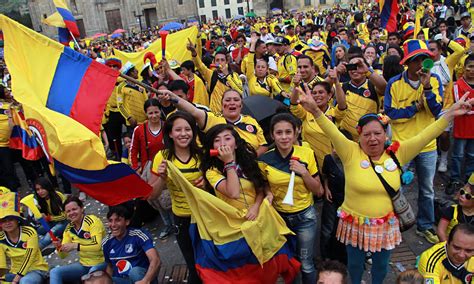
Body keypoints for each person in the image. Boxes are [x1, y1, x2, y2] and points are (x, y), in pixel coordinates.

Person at [296, 81, 474, 283]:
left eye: (377, 133)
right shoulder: (349, 151)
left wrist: (450, 113)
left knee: (380, 267)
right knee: (354, 265)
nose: (372, 139)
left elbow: (427, 135)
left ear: (385, 134)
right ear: (359, 136)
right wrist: (313, 109)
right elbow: (330, 129)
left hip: (385, 225)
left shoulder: (398, 153)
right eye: (367, 134)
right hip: (354, 222)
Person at [384, 39, 444, 244]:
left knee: (427, 189)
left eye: (425, 59)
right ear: (407, 63)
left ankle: (425, 225)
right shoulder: (394, 83)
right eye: (416, 60)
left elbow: (438, 112)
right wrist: (413, 109)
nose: (421, 64)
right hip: (402, 146)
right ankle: (393, 226)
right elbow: (390, 112)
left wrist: (427, 88)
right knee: (394, 187)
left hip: (427, 146)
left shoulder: (434, 80)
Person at [258, 113, 323, 284]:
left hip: (305, 218)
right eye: (279, 133)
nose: (284, 137)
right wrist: (268, 192)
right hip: (278, 219)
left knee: (306, 264)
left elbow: (319, 191)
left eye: (288, 132)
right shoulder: (264, 159)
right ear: (272, 135)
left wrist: (304, 172)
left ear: (296, 133)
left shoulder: (307, 153)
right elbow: (263, 183)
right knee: (287, 263)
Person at [149, 111, 203, 284]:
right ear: (170, 133)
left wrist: (207, 184)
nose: (183, 134)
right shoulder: (162, 157)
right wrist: (162, 179)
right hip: (181, 219)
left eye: (188, 129)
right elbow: (152, 194)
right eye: (178, 130)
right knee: (192, 263)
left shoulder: (201, 155)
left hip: (205, 218)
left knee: (208, 262)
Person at [158, 89, 268, 156]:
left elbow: (263, 145)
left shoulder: (251, 121)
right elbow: (194, 111)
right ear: (222, 104)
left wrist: (251, 158)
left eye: (236, 100)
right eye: (228, 100)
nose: (232, 103)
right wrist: (172, 97)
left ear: (241, 104)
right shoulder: (213, 118)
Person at [202, 124, 270, 219]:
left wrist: (256, 206)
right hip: (233, 220)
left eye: (227, 139)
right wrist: (229, 162)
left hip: (258, 215)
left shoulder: (248, 162)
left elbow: (259, 189)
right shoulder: (212, 172)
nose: (223, 144)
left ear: (236, 144)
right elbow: (234, 193)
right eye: (217, 140)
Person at [129, 98, 169, 234]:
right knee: (155, 199)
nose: (154, 116)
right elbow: (133, 150)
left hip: (166, 166)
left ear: (160, 111)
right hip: (149, 169)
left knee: (169, 197)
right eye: (150, 113)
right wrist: (135, 168)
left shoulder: (167, 126)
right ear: (146, 114)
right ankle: (167, 224)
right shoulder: (139, 130)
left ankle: (176, 223)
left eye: (156, 112)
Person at [50, 196, 107, 284]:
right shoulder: (68, 229)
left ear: (82, 209)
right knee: (54, 272)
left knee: (91, 278)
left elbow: (97, 246)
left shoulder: (92, 221)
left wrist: (75, 246)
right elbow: (63, 256)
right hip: (83, 265)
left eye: (74, 209)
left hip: (101, 262)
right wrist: (59, 247)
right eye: (68, 211)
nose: (71, 213)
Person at [102, 205, 161, 284]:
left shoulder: (138, 235)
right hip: (123, 281)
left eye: (117, 220)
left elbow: (155, 260)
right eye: (110, 220)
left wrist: (146, 280)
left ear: (127, 222)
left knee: (135, 272)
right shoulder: (106, 242)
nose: (113, 225)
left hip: (143, 279)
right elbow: (109, 266)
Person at [0, 192, 49, 283]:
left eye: (10, 219)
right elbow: (1, 264)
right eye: (3, 221)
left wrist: (16, 279)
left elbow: (29, 257)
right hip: (14, 273)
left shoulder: (29, 232)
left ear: (17, 220)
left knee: (25, 281)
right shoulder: (0, 238)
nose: (7, 223)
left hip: (36, 269)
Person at [186, 38, 243, 114]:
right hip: (215, 115)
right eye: (217, 60)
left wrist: (227, 75)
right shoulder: (211, 74)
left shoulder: (234, 75)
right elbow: (199, 65)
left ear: (226, 62)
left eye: (222, 60)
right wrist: (193, 52)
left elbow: (240, 92)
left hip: (231, 114)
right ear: (214, 62)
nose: (220, 62)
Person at [447, 54, 474, 194]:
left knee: (472, 155)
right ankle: (455, 179)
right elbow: (459, 106)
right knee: (457, 155)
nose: (472, 70)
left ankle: (470, 180)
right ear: (464, 68)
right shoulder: (457, 85)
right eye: (469, 66)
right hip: (461, 126)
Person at [246, 34, 287, 101]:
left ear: (267, 69)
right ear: (255, 69)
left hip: (269, 106)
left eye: (263, 67)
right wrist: (253, 44)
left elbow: (276, 85)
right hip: (253, 107)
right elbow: (250, 61)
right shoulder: (251, 77)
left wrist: (282, 92)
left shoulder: (270, 78)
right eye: (258, 67)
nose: (260, 69)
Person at [33, 177, 68, 250]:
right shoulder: (40, 200)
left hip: (65, 222)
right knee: (39, 230)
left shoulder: (58, 195)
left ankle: (36, 250)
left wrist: (49, 218)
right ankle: (60, 234)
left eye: (42, 188)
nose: (40, 191)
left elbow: (66, 215)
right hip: (53, 222)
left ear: (48, 187)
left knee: (51, 233)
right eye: (38, 189)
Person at [437, 174, 474, 242]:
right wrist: (447, 246)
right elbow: (440, 231)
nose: (462, 196)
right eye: (462, 192)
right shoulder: (451, 210)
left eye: (467, 196)